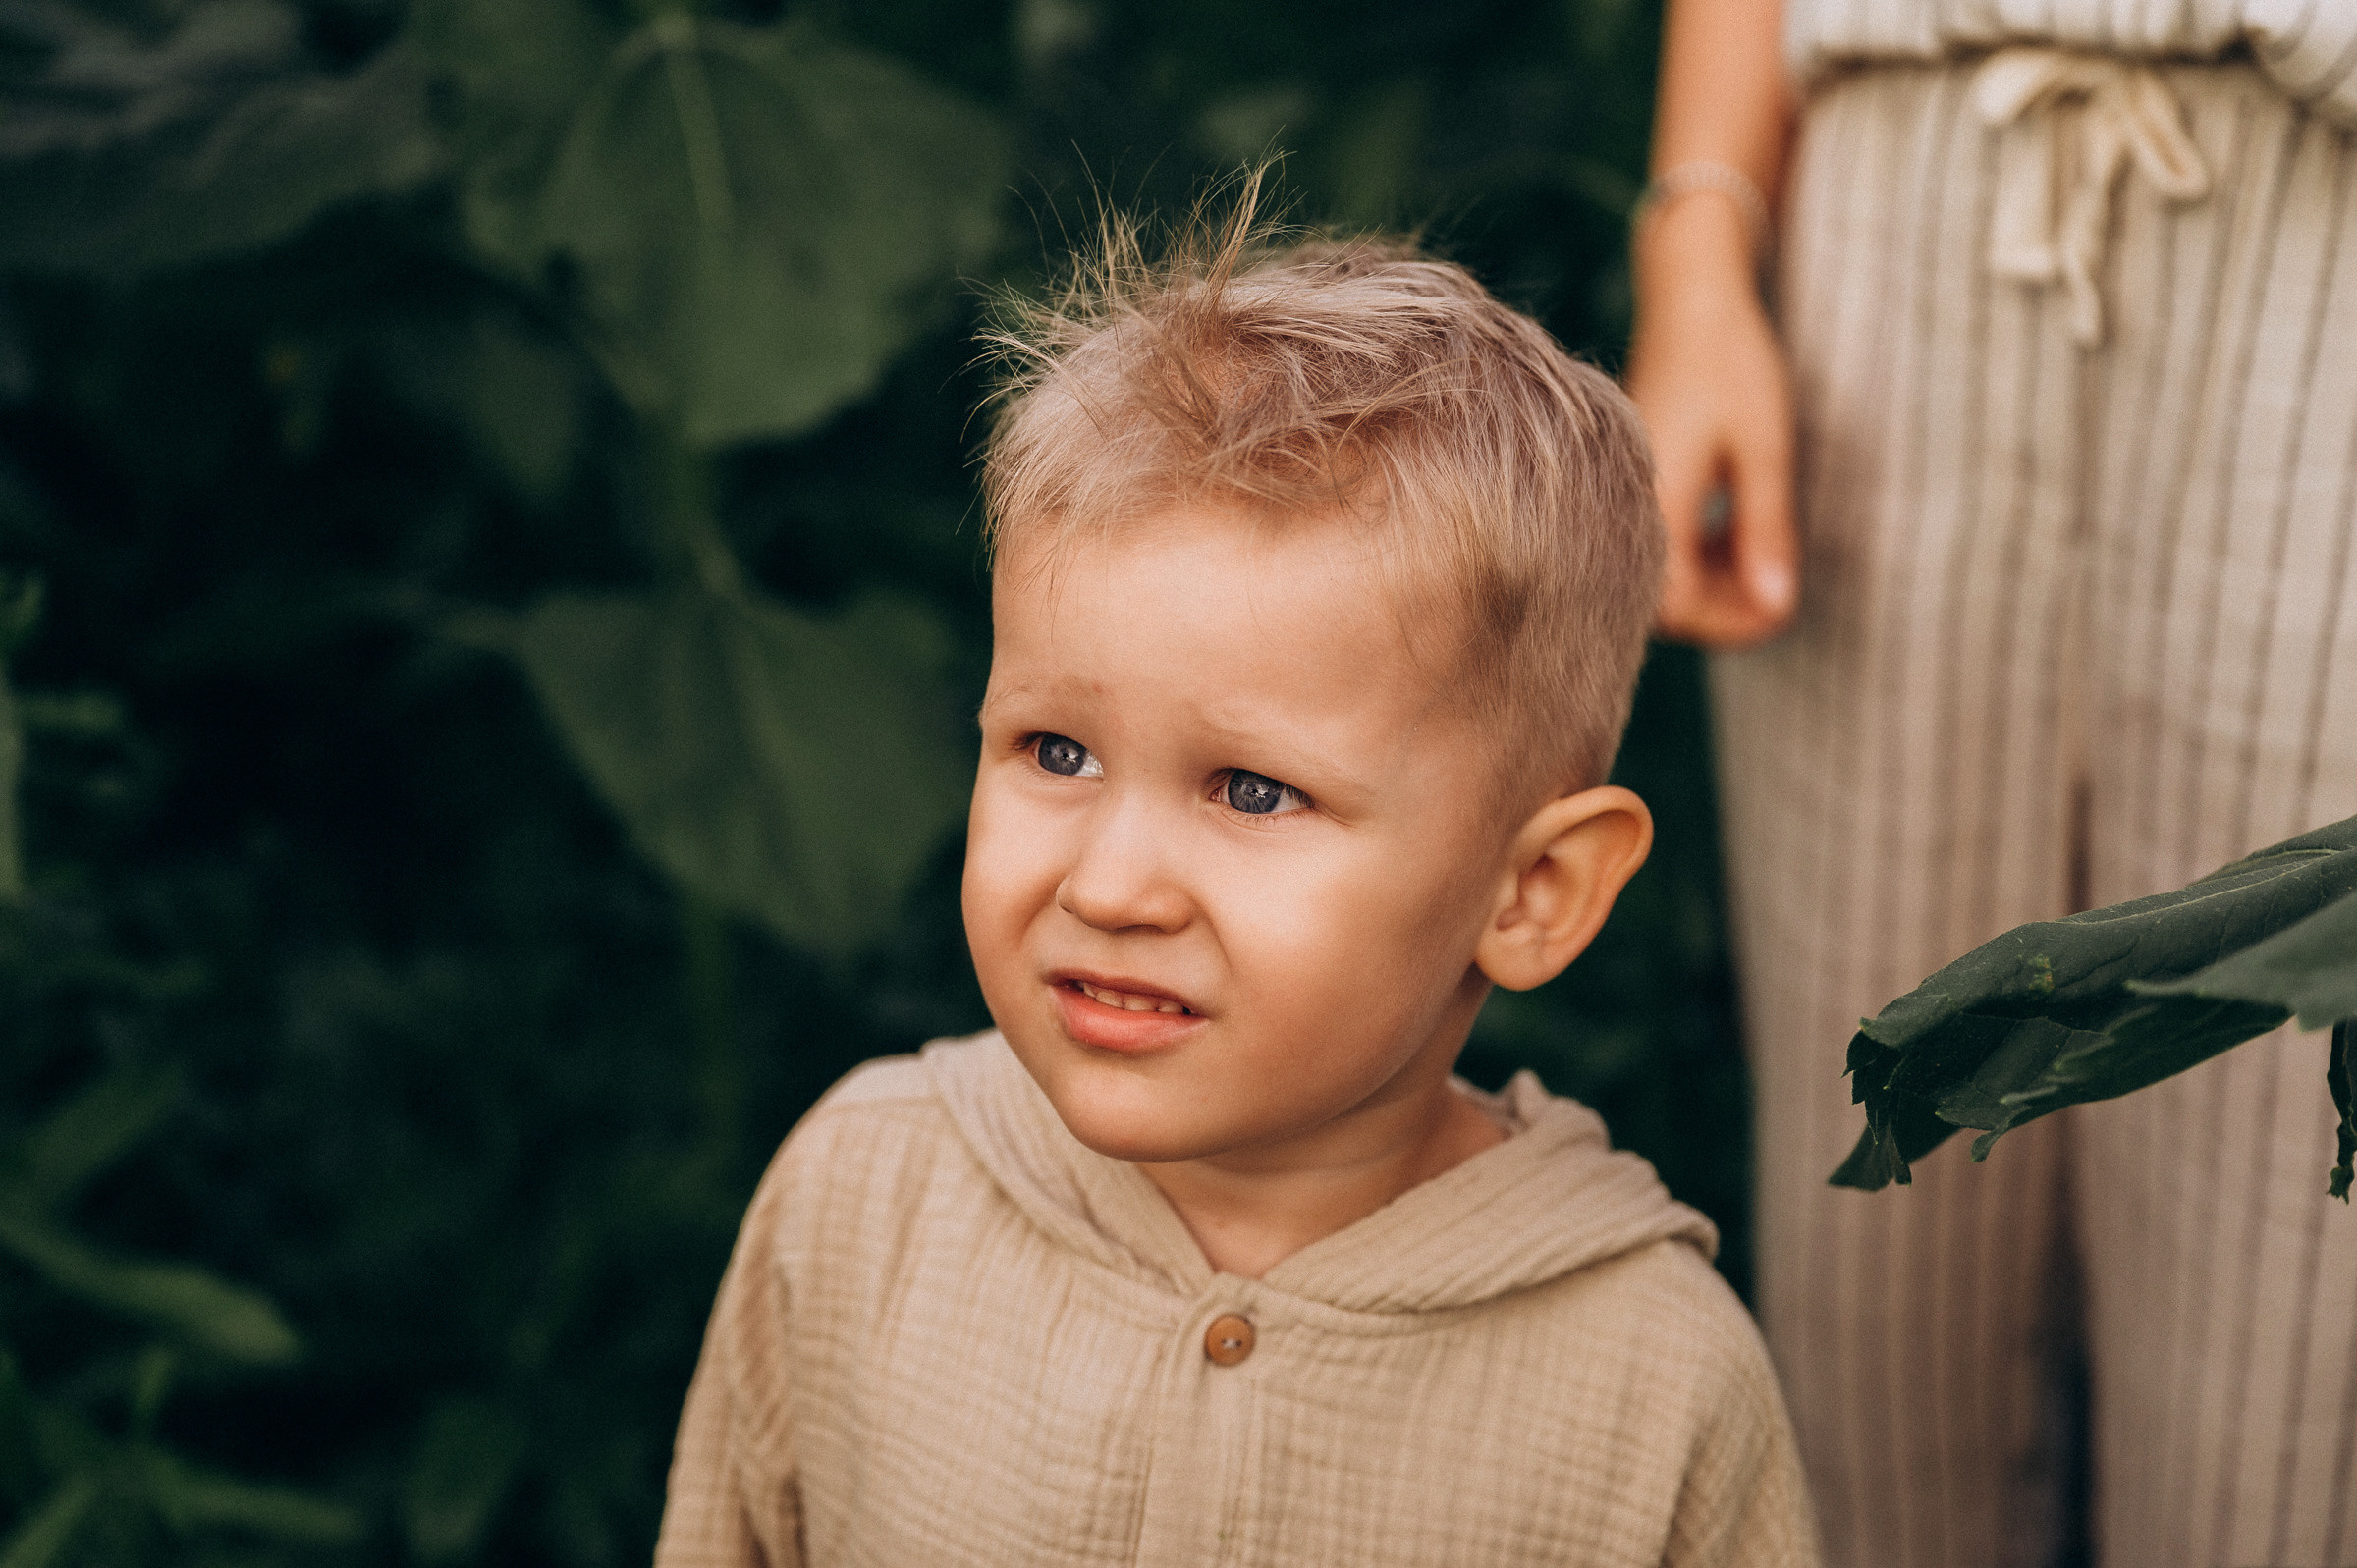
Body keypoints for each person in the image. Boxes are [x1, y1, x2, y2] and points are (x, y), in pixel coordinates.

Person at [649, 196, 1820, 1567]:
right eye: (1057, 748)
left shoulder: (1653, 1379)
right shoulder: (863, 1200)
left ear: (1535, 891)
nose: (1114, 881)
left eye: (1253, 789)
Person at [1625, 2, 2357, 1565]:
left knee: (2295, 1359)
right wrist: (1699, 243)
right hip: (1894, 215)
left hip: (2330, 213)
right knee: (1870, 1309)